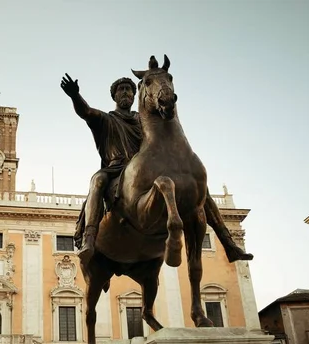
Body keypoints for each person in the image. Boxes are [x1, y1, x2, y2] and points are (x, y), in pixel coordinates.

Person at [60, 74, 252, 264]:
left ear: (136, 96)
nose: (126, 93)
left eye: (129, 89)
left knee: (200, 189)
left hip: (146, 170)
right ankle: (90, 237)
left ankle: (228, 243)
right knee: (97, 181)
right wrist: (75, 95)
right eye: (121, 90)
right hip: (116, 169)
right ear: (114, 96)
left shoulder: (143, 121)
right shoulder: (105, 119)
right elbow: (85, 111)